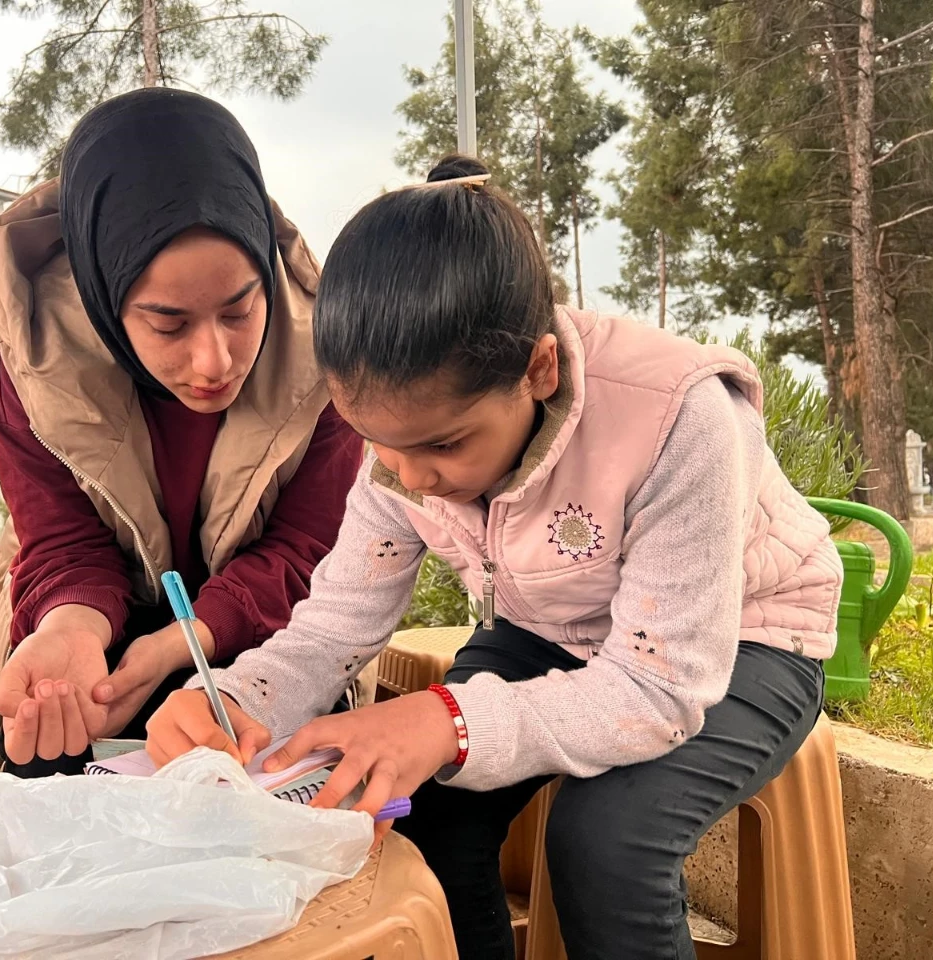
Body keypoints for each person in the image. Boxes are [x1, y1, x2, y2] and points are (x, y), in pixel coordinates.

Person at [145, 156, 841, 960]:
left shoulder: (679, 417)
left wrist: (446, 718)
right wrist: (237, 695)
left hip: (743, 640)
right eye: (382, 446)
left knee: (605, 842)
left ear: (538, 369)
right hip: (557, 628)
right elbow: (336, 624)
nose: (410, 479)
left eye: (443, 444)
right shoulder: (403, 453)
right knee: (418, 811)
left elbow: (658, 687)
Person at [0, 88, 365, 777]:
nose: (214, 363)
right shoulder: (34, 360)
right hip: (96, 632)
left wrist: (183, 643)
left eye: (240, 310)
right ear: (103, 297)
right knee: (50, 759)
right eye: (168, 324)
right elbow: (62, 539)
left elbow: (307, 551)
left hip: (263, 632)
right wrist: (70, 626)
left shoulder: (324, 351)